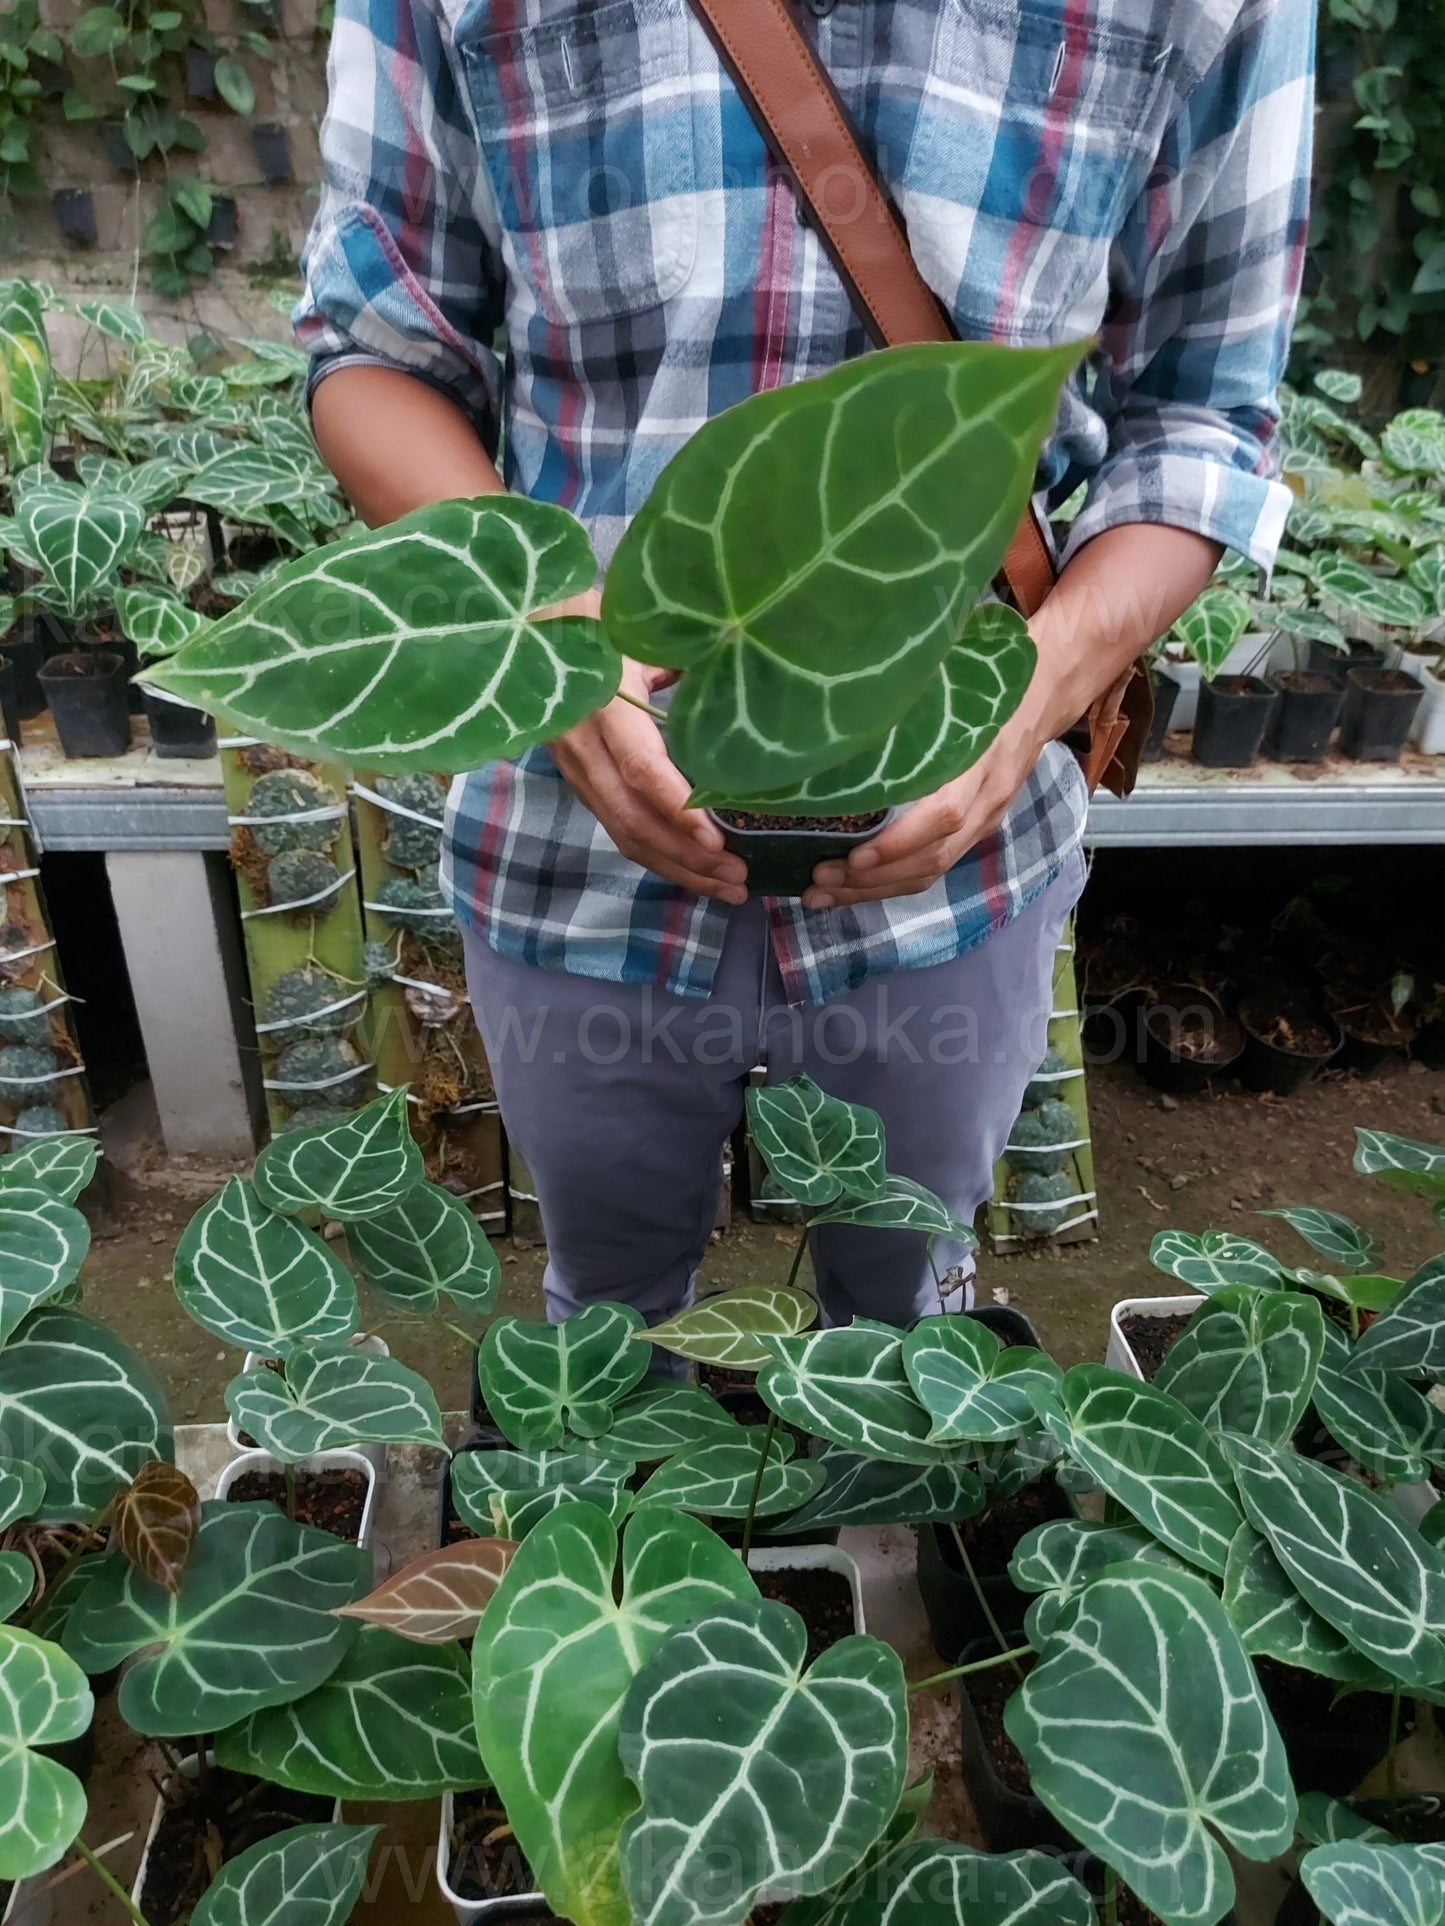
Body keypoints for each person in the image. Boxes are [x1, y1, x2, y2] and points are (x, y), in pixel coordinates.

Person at [298, 0, 1314, 1329]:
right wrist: (559, 640)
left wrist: (1032, 693)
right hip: (579, 832)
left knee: (903, 1316)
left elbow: (1203, 405)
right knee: (604, 1317)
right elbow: (374, 349)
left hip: (952, 838)